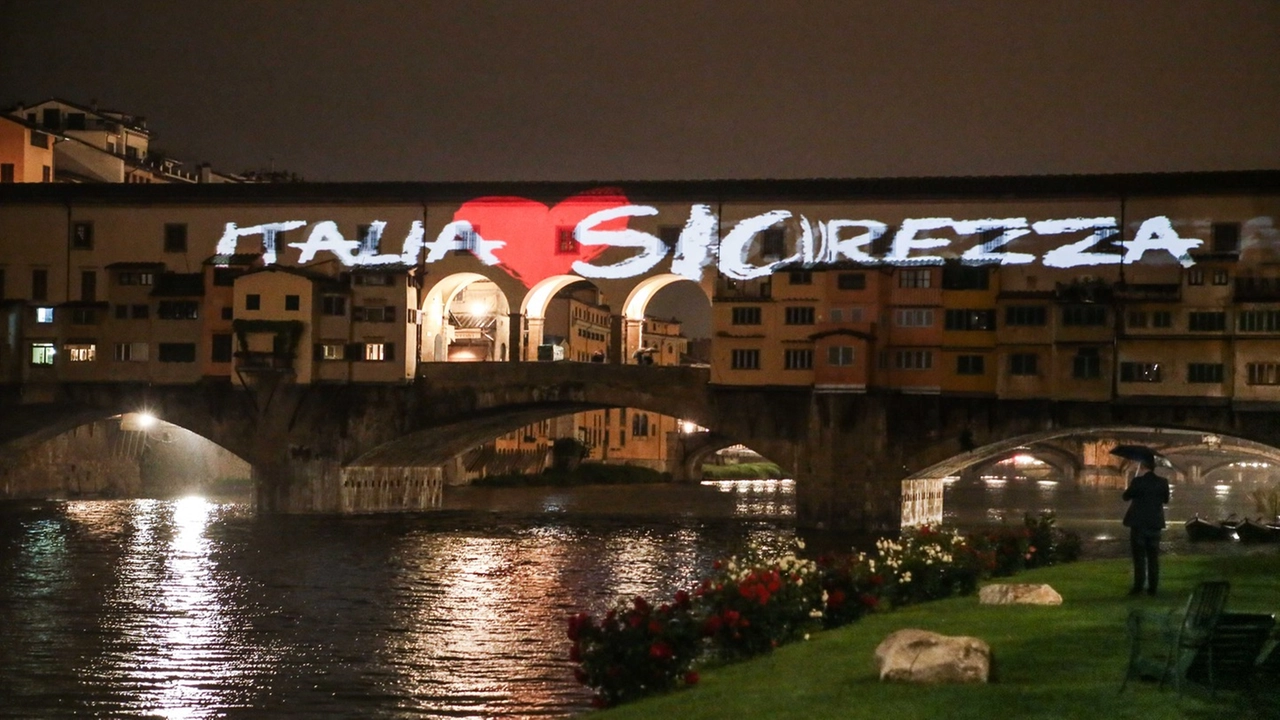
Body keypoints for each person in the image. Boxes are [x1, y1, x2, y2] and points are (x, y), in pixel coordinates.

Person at [1121, 454, 1170, 596]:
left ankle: (1138, 586)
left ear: (1142, 467)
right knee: (1153, 558)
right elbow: (1165, 500)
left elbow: (1126, 497)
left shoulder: (1137, 481)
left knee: (1139, 557)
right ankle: (1153, 588)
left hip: (1138, 523)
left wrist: (1131, 485)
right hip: (1155, 523)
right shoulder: (1163, 482)